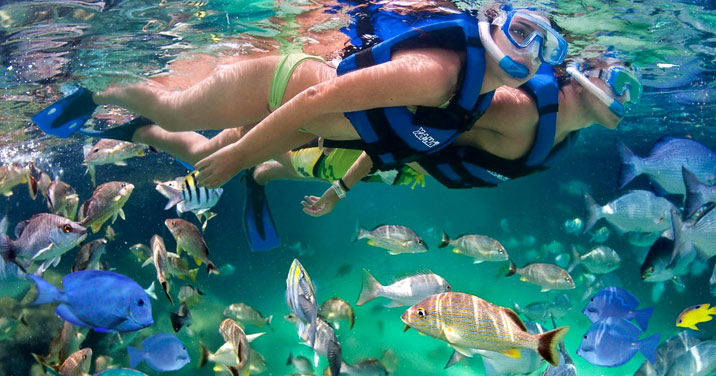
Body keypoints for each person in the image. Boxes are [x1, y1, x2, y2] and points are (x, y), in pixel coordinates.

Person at [31, 4, 568, 249]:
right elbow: (317, 97)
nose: (530, 52)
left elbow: (387, 142)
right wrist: (244, 157)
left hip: (307, 125)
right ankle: (94, 88)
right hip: (281, 84)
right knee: (179, 109)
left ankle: (131, 129)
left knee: (200, 149)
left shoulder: (475, 100)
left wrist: (337, 188)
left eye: (545, 45)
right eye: (522, 31)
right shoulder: (436, 75)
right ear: (492, 21)